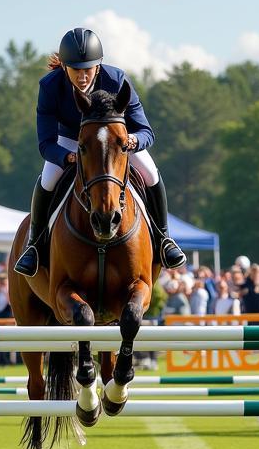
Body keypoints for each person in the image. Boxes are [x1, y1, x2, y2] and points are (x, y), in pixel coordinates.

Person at [13, 27, 187, 276]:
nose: (82, 77)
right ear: (64, 67)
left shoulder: (117, 80)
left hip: (116, 141)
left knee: (150, 174)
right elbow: (46, 143)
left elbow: (146, 131)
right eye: (75, 70)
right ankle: (35, 246)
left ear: (98, 65)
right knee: (49, 179)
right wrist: (66, 157)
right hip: (71, 141)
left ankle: (164, 239)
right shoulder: (50, 87)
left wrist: (132, 141)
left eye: (87, 70)